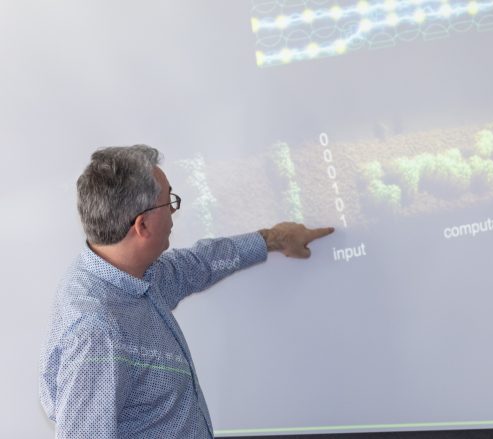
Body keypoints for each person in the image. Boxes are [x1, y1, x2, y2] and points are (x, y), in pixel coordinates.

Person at [39, 145, 333, 438]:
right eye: (170, 204)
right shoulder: (97, 332)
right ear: (142, 226)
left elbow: (196, 264)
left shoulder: (133, 273)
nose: (173, 213)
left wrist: (275, 238)